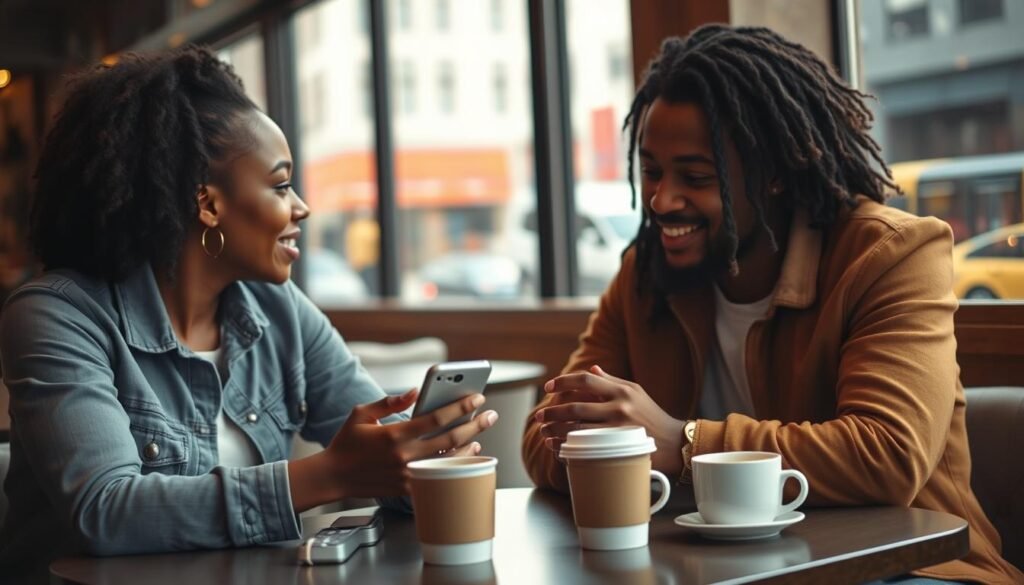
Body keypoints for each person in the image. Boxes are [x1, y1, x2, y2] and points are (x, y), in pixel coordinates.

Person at [522, 25, 1023, 585]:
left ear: (776, 175)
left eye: (696, 177)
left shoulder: (888, 254)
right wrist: (612, 444)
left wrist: (681, 443)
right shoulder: (649, 273)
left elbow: (886, 455)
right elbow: (543, 439)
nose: (662, 200)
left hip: (916, 571)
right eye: (652, 171)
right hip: (728, 571)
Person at [0, 46, 498, 575]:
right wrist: (332, 475)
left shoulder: (276, 308)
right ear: (208, 204)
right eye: (281, 184)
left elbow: (381, 459)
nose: (301, 206)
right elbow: (105, 512)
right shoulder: (57, 316)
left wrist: (420, 458)